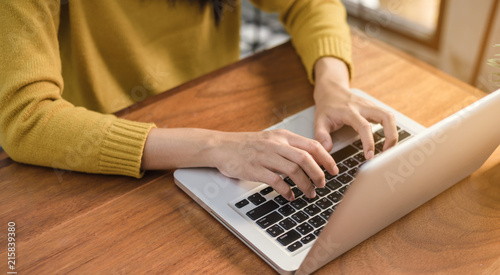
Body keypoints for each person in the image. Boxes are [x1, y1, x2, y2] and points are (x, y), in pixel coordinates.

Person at [0, 0, 398, 202]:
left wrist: (332, 83)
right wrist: (216, 146)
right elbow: (27, 118)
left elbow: (308, 4)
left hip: (224, 124)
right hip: (101, 165)